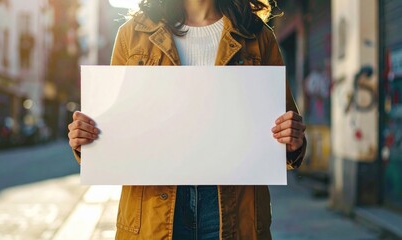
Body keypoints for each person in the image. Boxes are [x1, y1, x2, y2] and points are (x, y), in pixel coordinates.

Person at [68, 0, 306, 239]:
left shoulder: (257, 34)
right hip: (153, 210)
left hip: (233, 208)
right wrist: (87, 140)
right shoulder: (133, 33)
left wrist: (292, 140)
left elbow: (283, 132)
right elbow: (115, 126)